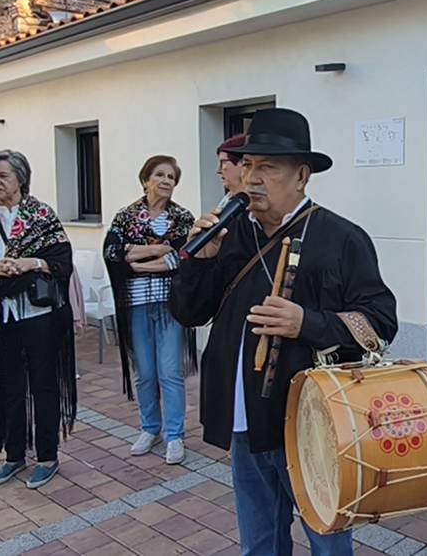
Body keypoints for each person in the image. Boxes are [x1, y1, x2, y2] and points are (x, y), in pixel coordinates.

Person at [170, 108, 397, 556]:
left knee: (327, 543)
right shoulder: (230, 233)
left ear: (302, 176)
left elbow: (380, 322)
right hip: (245, 420)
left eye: (268, 167)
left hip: (312, 423)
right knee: (260, 544)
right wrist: (201, 259)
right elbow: (189, 313)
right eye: (248, 165)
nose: (252, 179)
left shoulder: (342, 238)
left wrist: (306, 323)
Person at [0, 150, 76, 490]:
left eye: (3, 175)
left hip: (39, 316)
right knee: (8, 386)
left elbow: (62, 261)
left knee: (43, 384)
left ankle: (48, 456)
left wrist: (30, 263)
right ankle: (13, 454)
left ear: (20, 179)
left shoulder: (40, 216)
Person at [103, 155, 197, 465]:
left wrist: (139, 265)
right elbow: (112, 251)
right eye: (160, 174)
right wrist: (159, 249)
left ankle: (174, 435)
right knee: (144, 372)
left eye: (171, 176)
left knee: (170, 371)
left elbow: (184, 256)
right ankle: (149, 428)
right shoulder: (125, 216)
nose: (166, 180)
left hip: (171, 303)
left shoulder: (183, 217)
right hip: (136, 304)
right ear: (146, 180)